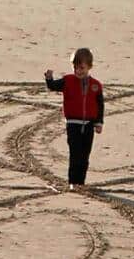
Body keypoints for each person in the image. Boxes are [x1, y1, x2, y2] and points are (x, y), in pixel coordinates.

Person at [43, 47, 104, 190]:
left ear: (89, 67)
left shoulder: (96, 85)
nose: (78, 71)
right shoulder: (68, 80)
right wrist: (49, 78)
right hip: (73, 124)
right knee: (75, 154)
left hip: (89, 124)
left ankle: (81, 182)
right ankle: (73, 182)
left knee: (85, 156)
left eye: (82, 67)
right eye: (75, 67)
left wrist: (99, 122)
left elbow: (100, 105)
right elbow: (53, 86)